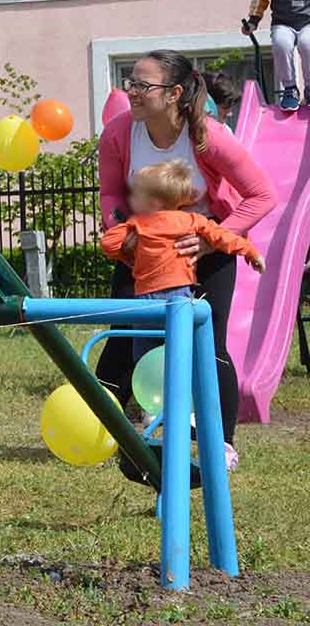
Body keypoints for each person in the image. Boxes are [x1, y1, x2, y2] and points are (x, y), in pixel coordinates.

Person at [98, 50, 275, 474]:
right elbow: (110, 195)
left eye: (142, 85)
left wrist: (217, 242)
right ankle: (109, 434)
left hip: (204, 250)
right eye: (130, 83)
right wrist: (118, 232)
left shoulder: (207, 136)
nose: (132, 92)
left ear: (175, 93)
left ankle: (223, 443)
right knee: (123, 339)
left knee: (208, 348)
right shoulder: (119, 133)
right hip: (142, 250)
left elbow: (262, 194)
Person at [101, 159, 264, 366]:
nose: (131, 200)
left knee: (144, 354)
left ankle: (148, 387)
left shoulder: (138, 224)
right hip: (179, 297)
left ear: (154, 203)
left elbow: (108, 244)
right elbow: (223, 237)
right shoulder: (191, 220)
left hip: (145, 299)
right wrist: (250, 252)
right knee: (181, 354)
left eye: (136, 195)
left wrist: (129, 250)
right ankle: (181, 391)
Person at [243, 0, 310, 111]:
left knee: (307, 44)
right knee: (281, 44)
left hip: (308, 24)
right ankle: (290, 89)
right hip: (284, 24)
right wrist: (253, 20)